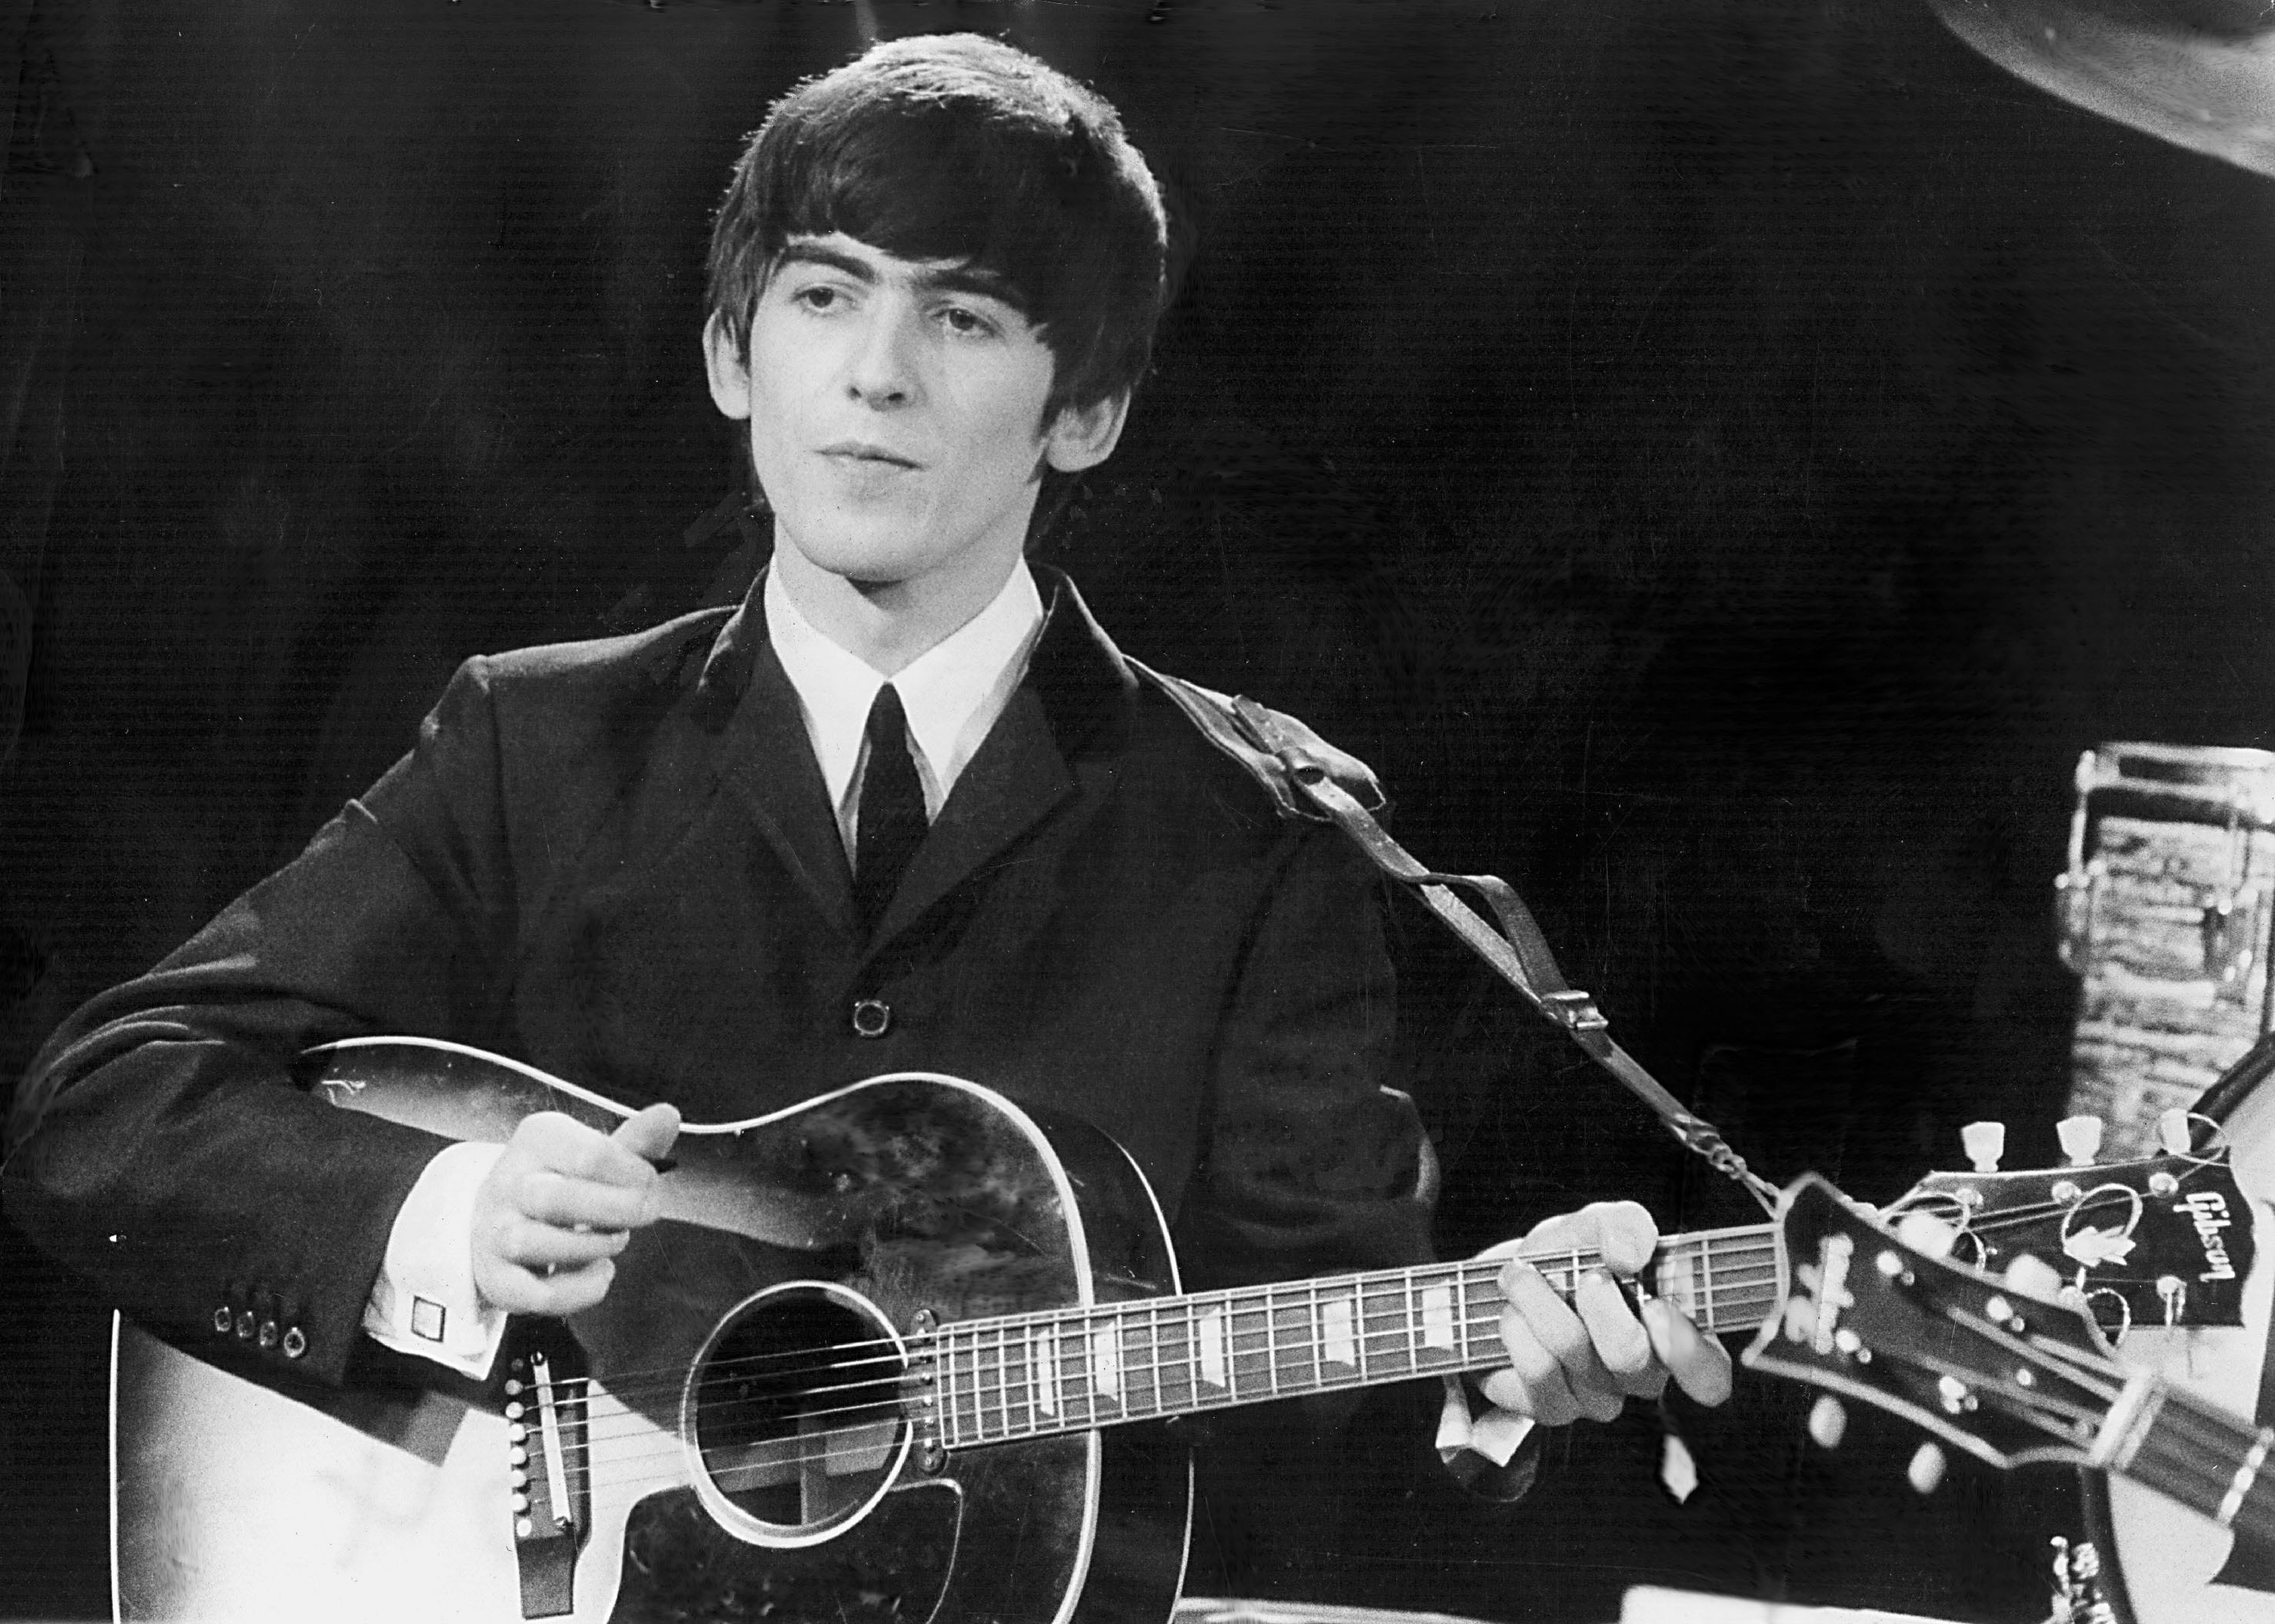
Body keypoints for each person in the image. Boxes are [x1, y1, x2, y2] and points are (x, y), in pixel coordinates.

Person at [2, 28, 1728, 1598]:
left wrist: (1497, 1379)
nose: (877, 374)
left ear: (1086, 411)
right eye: (825, 295)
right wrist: (459, 1218)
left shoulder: (1265, 829)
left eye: (962, 317)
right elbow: (103, 1107)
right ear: (732, 357)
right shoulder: (534, 741)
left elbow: (1314, 1419)